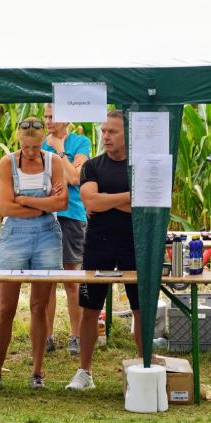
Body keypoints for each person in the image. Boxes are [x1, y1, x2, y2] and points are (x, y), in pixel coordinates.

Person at [0, 117, 67, 391]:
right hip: (15, 236)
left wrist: (26, 200)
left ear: (43, 141)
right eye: (26, 146)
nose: (31, 152)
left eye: (36, 146)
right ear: (18, 141)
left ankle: (38, 371)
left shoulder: (54, 162)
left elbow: (62, 203)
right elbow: (6, 208)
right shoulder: (7, 162)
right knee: (5, 307)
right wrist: (44, 204)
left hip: (47, 235)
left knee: (39, 307)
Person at [65, 110, 144, 391]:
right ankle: (84, 372)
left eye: (113, 131)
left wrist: (106, 200)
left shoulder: (139, 167)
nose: (106, 136)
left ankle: (145, 367)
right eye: (104, 131)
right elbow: (90, 202)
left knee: (140, 309)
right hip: (98, 244)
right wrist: (129, 198)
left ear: (127, 135)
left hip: (134, 244)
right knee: (89, 309)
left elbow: (146, 205)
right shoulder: (92, 166)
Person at [42, 103, 91, 356]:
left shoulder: (80, 142)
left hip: (72, 216)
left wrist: (60, 150)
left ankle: (76, 336)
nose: (48, 121)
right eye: (46, 116)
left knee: (71, 280)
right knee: (48, 280)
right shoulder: (40, 143)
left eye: (53, 116)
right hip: (45, 216)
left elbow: (75, 178)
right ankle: (47, 336)